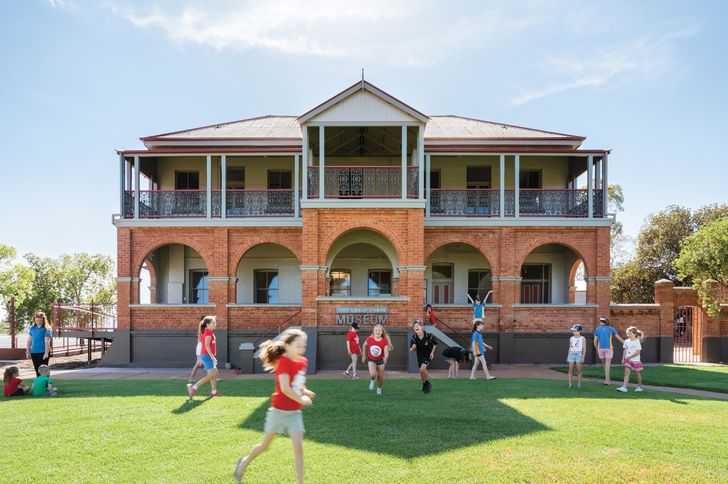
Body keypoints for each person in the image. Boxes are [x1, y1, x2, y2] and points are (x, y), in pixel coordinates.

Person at [233, 328, 314, 484]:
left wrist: (304, 390)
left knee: (299, 449)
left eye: (303, 346)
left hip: (294, 413)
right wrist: (302, 399)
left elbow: (297, 383)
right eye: (298, 345)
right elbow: (285, 388)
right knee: (265, 445)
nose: (301, 349)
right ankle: (243, 463)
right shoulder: (284, 362)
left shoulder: (303, 362)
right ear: (288, 345)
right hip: (278, 412)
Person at [186, 316, 222, 398]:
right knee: (210, 375)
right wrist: (212, 356)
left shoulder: (208, 331)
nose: (215, 324)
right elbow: (206, 345)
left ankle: (214, 392)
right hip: (207, 356)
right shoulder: (208, 332)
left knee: (215, 373)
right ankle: (193, 387)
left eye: (215, 322)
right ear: (208, 325)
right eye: (213, 323)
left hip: (207, 355)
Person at [361, 323, 391, 396]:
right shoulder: (370, 339)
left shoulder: (384, 341)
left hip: (381, 360)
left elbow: (386, 352)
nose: (377, 331)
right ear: (373, 331)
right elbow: (364, 345)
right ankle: (372, 380)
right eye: (376, 330)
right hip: (371, 359)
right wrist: (364, 355)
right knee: (372, 374)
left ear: (382, 332)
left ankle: (379, 388)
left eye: (379, 330)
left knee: (380, 377)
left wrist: (385, 358)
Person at [593, 316, 624, 385]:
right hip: (609, 349)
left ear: (602, 322)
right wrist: (625, 343)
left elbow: (595, 341)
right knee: (607, 365)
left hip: (600, 349)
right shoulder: (611, 329)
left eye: (601, 321)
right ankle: (608, 380)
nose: (600, 322)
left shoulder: (597, 329)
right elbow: (618, 338)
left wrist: (597, 349)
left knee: (604, 364)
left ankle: (607, 380)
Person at [410, 320, 437, 393]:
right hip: (420, 356)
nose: (416, 327)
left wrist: (432, 353)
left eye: (417, 326)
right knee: (421, 371)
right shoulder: (414, 337)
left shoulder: (429, 336)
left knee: (422, 369)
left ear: (422, 327)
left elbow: (435, 344)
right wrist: (413, 347)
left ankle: (427, 383)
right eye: (414, 326)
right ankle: (424, 384)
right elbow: (411, 349)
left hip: (427, 355)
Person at [617, 326, 646, 393]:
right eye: (627, 333)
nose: (628, 335)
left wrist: (629, 357)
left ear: (635, 334)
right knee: (626, 373)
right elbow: (625, 350)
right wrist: (623, 358)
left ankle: (639, 387)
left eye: (630, 333)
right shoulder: (626, 341)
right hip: (628, 360)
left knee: (637, 373)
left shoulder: (637, 342)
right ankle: (624, 387)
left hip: (635, 360)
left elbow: (638, 352)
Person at [26, 311, 52, 376]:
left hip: (43, 353)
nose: (38, 322)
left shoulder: (46, 328)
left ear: (43, 320)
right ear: (34, 320)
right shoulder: (32, 328)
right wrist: (28, 351)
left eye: (40, 320)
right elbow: (29, 340)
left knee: (44, 371)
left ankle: (47, 385)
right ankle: (39, 385)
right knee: (37, 370)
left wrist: (46, 353)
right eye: (37, 320)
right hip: (34, 352)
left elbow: (47, 341)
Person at [566, 324, 586, 389]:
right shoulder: (571, 338)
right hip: (571, 354)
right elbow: (570, 347)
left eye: (575, 331)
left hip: (579, 354)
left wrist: (583, 357)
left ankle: (579, 385)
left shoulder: (583, 338)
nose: (573, 332)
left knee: (579, 371)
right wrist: (568, 356)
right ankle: (570, 384)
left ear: (580, 331)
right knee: (570, 370)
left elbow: (584, 349)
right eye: (573, 331)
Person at [188, 318, 205, 383]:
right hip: (201, 346)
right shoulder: (203, 331)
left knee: (198, 364)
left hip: (199, 346)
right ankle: (212, 376)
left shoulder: (201, 330)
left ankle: (191, 378)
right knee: (201, 363)